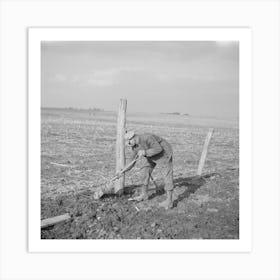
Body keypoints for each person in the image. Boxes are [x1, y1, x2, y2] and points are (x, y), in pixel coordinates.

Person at [116, 131, 174, 210]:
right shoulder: (135, 147)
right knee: (144, 171)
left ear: (134, 137)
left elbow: (158, 148)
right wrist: (122, 171)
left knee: (167, 175)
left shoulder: (147, 137)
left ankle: (169, 201)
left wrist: (145, 152)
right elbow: (131, 162)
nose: (129, 144)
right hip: (151, 156)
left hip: (164, 153)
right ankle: (144, 194)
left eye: (130, 142)